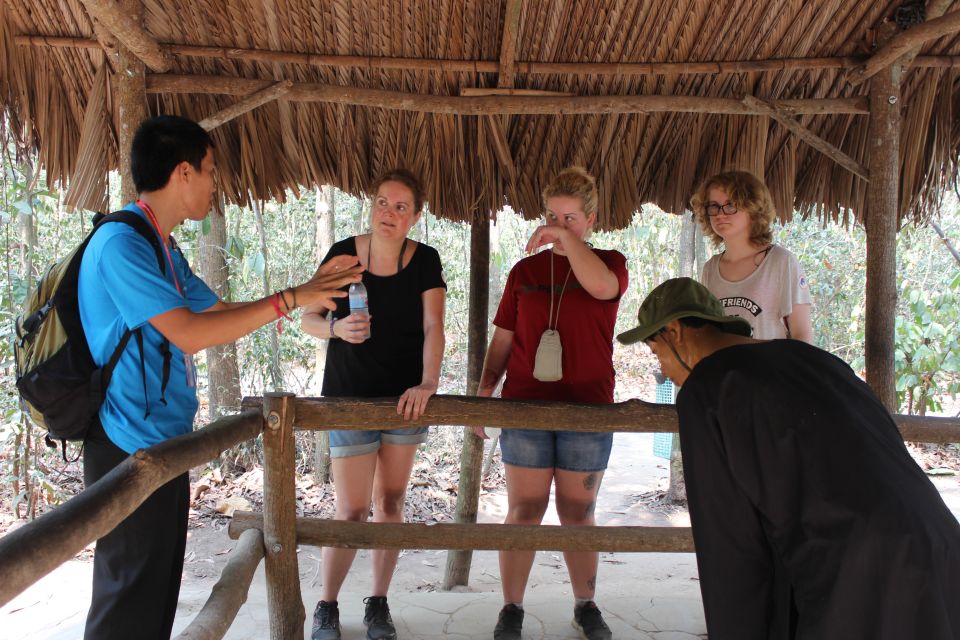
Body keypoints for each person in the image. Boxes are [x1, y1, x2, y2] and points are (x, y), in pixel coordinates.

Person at [78, 115, 363, 640]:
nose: (214, 183)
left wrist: (301, 291)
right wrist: (291, 298)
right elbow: (187, 333)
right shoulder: (122, 244)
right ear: (182, 172)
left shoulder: (163, 247)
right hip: (123, 446)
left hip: (163, 445)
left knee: (156, 593)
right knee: (127, 598)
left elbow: (222, 313)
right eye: (209, 170)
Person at [617, 278, 960, 640]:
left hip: (860, 570)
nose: (666, 372)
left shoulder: (708, 389)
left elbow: (730, 542)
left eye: (658, 355)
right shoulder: (817, 360)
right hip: (940, 540)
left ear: (674, 331)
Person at [474, 167, 629, 640]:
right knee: (524, 509)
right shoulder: (524, 272)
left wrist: (563, 239)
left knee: (578, 513)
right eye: (552, 216)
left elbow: (602, 288)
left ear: (592, 219)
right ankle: (512, 609)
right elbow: (503, 339)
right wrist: (485, 389)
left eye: (571, 218)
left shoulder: (611, 262)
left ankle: (585, 604)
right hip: (525, 407)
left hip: (588, 407)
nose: (560, 226)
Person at [302, 168, 446, 640]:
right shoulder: (344, 256)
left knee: (390, 501)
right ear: (371, 205)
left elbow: (433, 326)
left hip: (405, 399)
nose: (389, 213)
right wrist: (336, 329)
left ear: (415, 218)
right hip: (348, 396)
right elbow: (309, 317)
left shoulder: (425, 260)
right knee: (351, 509)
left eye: (401, 207)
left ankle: (378, 603)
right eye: (383, 202)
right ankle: (326, 605)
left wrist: (428, 382)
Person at [691, 170, 813, 341]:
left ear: (753, 208)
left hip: (771, 367)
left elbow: (802, 335)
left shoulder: (781, 262)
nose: (720, 214)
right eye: (713, 206)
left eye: (730, 205)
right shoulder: (710, 269)